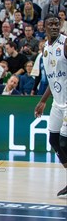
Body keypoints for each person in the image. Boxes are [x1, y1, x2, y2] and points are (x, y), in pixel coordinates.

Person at [34, 14, 67, 196]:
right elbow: (53, 78)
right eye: (50, 24)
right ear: (44, 27)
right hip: (57, 102)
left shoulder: (65, 44)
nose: (54, 26)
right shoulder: (45, 49)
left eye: (57, 23)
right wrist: (43, 100)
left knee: (65, 141)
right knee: (54, 141)